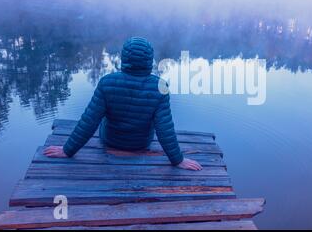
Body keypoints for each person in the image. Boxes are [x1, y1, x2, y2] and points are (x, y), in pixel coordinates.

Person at [44, 37, 202, 171]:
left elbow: (89, 121)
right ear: (149, 60)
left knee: (103, 118)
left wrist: (67, 150)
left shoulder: (107, 82)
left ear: (124, 58)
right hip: (141, 143)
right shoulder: (160, 86)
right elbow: (164, 128)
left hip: (110, 140)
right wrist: (178, 160)